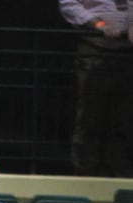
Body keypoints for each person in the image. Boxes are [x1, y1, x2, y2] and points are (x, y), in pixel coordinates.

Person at [59, 1, 133, 176]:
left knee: (124, 118)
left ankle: (120, 173)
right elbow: (68, 4)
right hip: (95, 51)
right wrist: (99, 24)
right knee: (90, 117)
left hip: (127, 54)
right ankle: (86, 174)